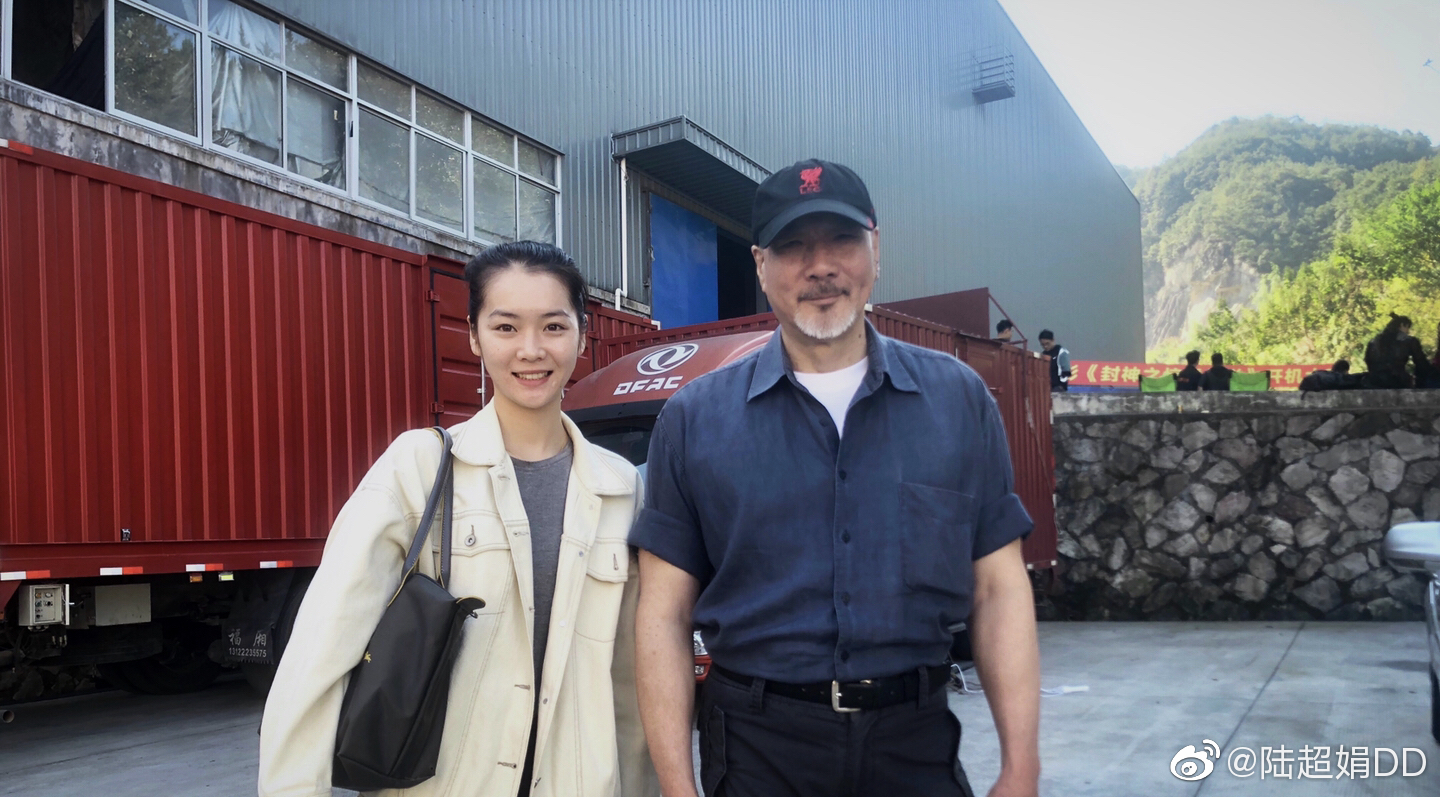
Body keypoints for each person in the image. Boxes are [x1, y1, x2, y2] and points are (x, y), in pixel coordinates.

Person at [632, 159, 1040, 797]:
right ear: (760, 264)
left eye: (842, 240)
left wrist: (1021, 765)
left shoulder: (957, 401)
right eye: (793, 246)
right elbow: (663, 613)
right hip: (758, 753)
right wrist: (678, 789)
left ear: (875, 248)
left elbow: (997, 588)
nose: (820, 266)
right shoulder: (694, 419)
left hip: (915, 748)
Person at [258, 242, 657, 797]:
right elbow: (322, 648)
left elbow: (630, 681)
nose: (531, 350)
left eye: (553, 326)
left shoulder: (622, 489)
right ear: (473, 336)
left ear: (582, 335)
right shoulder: (419, 468)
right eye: (505, 327)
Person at [1363, 312, 1428, 389]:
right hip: (1398, 381)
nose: (1408, 331)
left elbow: (1368, 360)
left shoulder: (1373, 342)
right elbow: (1421, 362)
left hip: (1375, 381)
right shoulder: (1409, 341)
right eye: (1408, 328)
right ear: (1402, 325)